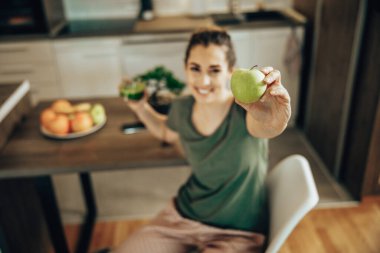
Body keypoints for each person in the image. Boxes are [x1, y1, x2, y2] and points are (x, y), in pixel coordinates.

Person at [115, 26, 291, 253]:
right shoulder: (182, 108)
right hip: (181, 219)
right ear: (185, 68)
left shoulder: (248, 111)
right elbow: (165, 131)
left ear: (231, 71)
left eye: (214, 70)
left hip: (236, 233)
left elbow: (268, 126)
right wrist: (140, 107)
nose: (203, 80)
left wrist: (276, 115)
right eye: (195, 69)